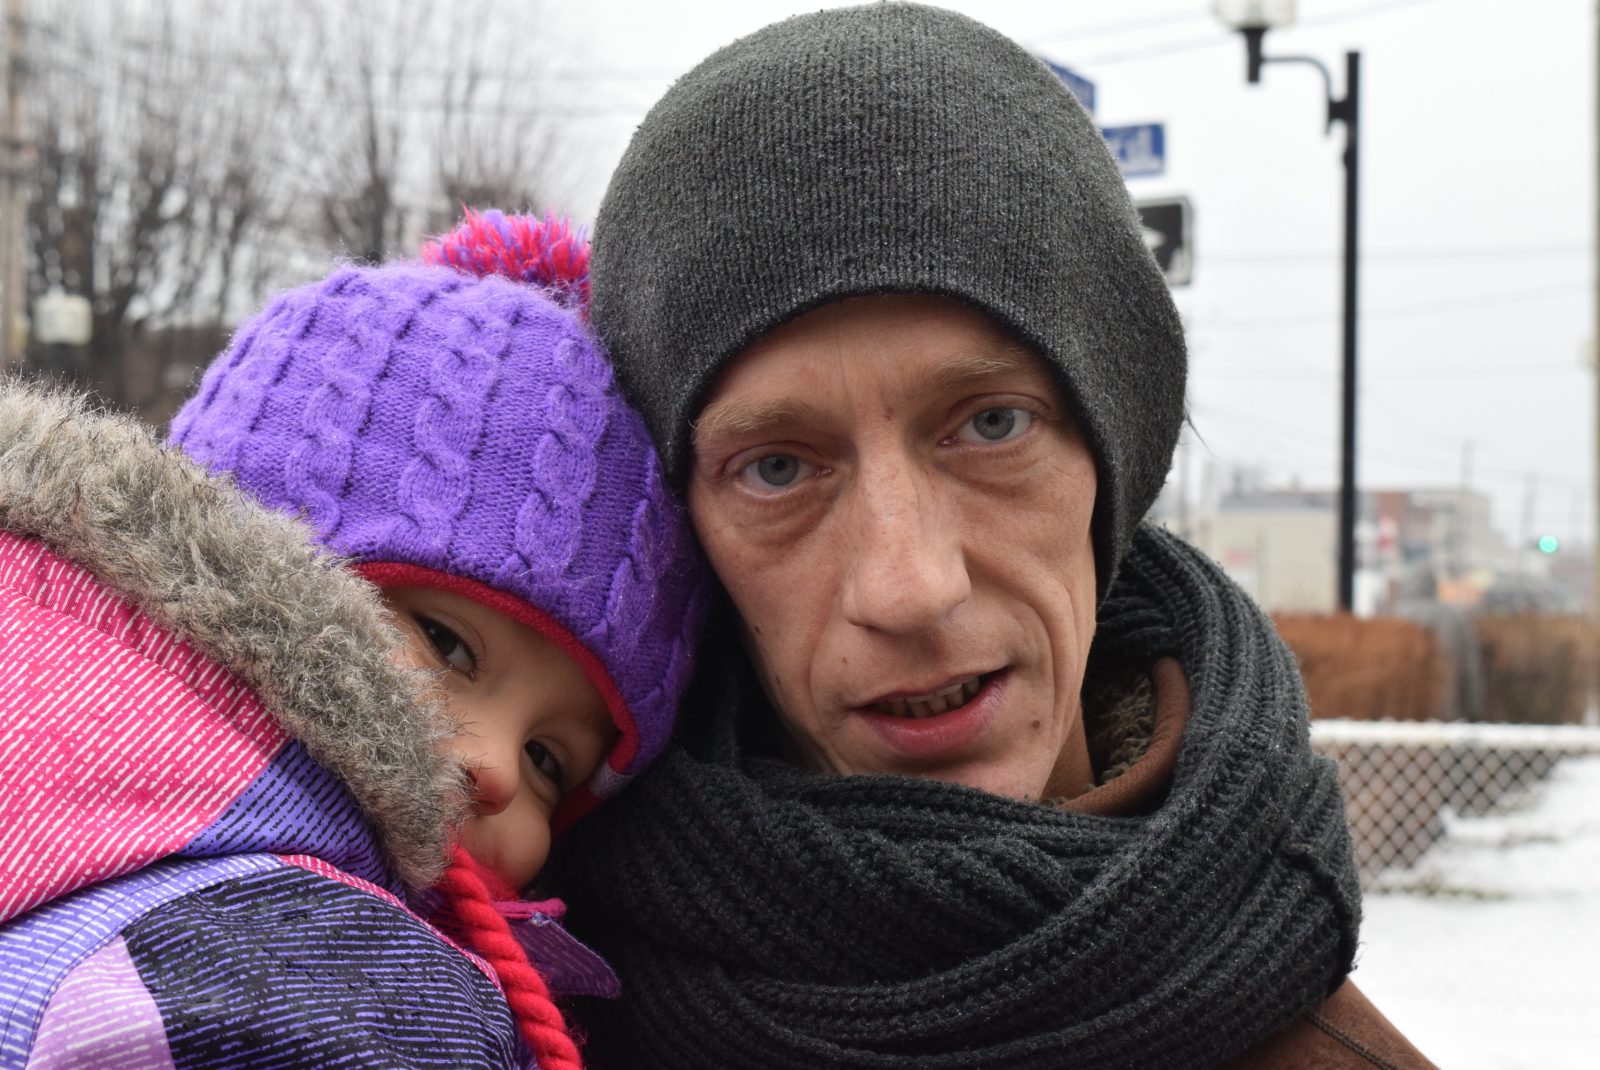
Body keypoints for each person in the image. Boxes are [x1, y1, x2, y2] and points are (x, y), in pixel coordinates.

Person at [553, 6, 1438, 1069]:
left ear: (1112, 453)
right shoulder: (495, 1007)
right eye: (777, 467)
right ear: (677, 524)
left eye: (990, 424)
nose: (910, 585)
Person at [0, 212, 704, 1069]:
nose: (498, 771)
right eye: (447, 645)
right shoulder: (311, 969)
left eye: (551, 762)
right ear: (253, 569)